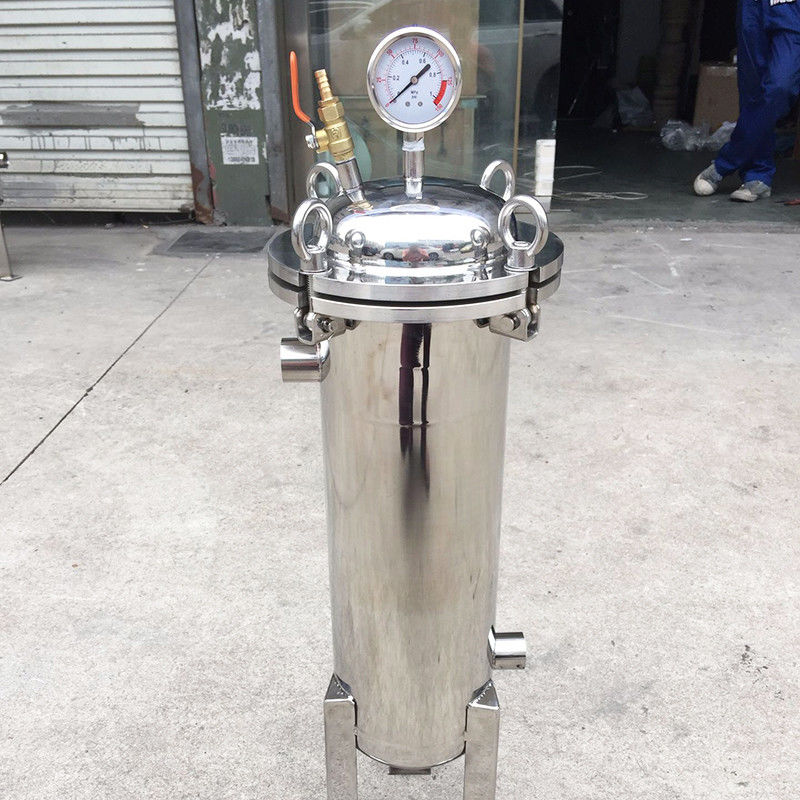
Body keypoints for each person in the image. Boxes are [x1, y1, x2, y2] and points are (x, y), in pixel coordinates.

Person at [694, 0, 800, 202]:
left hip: (793, 7)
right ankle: (757, 175)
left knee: (781, 87)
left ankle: (725, 162)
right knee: (752, 91)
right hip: (752, 6)